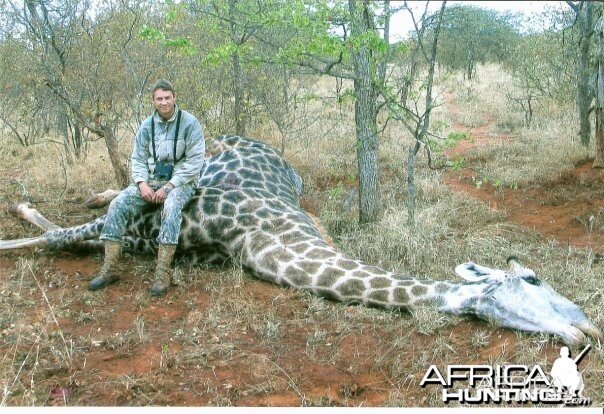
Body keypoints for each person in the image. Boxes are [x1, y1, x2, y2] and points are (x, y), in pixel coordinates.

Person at [89, 79, 205, 296]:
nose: (164, 103)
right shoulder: (146, 126)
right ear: (153, 100)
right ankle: (110, 269)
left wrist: (169, 187)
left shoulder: (190, 123)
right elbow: (138, 159)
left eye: (167, 98)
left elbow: (195, 163)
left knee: (170, 208)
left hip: (181, 181)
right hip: (151, 180)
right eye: (159, 99)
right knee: (117, 203)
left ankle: (163, 273)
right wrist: (142, 184)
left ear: (174, 97)